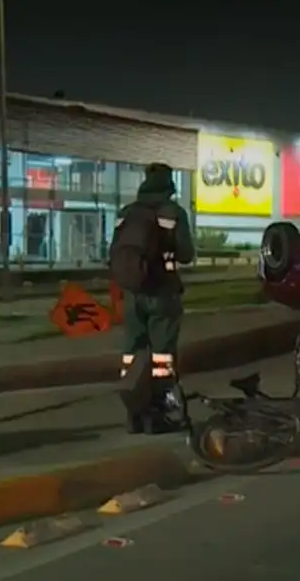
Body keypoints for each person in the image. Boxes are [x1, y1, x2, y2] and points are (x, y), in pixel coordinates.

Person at [109, 163, 196, 433]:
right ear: (169, 185)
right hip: (162, 293)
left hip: (133, 294)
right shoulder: (173, 212)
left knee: (132, 355)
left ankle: (134, 414)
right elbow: (185, 254)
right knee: (162, 358)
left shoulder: (126, 213)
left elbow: (114, 251)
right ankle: (162, 414)